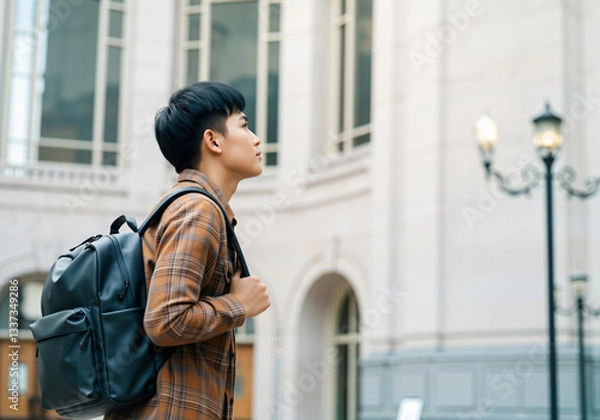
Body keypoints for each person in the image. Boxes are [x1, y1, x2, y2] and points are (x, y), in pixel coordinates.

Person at [105, 81, 271, 419]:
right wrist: (239, 305)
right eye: (243, 124)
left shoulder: (194, 207)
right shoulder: (197, 210)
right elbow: (166, 320)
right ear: (213, 140)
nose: (256, 138)